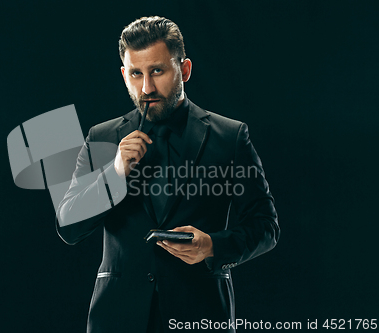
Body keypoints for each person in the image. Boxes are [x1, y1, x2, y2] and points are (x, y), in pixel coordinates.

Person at [56, 16, 280, 333]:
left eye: (157, 71)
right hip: (116, 320)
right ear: (124, 75)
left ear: (184, 70)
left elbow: (265, 227)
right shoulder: (102, 137)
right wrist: (115, 173)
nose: (146, 87)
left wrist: (212, 246)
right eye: (136, 74)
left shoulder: (230, 136)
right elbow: (68, 225)